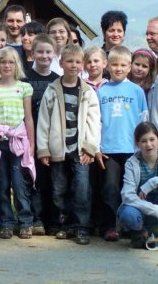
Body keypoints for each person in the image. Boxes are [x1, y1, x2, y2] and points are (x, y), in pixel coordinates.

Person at [36, 44, 101, 245]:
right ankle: (64, 224)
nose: (74, 65)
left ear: (82, 65)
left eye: (78, 62)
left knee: (81, 189)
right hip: (58, 150)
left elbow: (94, 121)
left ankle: (80, 227)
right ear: (61, 63)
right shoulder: (53, 89)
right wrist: (44, 148)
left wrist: (91, 147)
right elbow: (44, 121)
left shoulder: (88, 92)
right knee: (59, 189)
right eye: (70, 61)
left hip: (80, 151)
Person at [95, 45, 148, 242]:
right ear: (107, 66)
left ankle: (130, 225)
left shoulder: (136, 91)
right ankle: (110, 225)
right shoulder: (102, 90)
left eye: (123, 65)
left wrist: (142, 147)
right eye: (115, 64)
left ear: (129, 67)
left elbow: (144, 120)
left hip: (131, 150)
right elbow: (97, 120)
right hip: (109, 149)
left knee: (131, 190)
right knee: (109, 188)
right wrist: (97, 146)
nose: (118, 68)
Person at [0, 47, 35, 239]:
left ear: (16, 65)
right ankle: (6, 222)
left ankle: (25, 221)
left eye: (11, 62)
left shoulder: (23, 87)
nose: (7, 66)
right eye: (3, 62)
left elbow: (28, 118)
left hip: (18, 142)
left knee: (19, 183)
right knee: (2, 183)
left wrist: (32, 144)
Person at [24, 34, 60, 235]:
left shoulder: (58, 81)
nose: (44, 56)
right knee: (34, 179)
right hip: (31, 138)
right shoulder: (25, 78)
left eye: (48, 52)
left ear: (54, 54)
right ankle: (35, 218)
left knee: (53, 180)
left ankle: (53, 220)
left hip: (52, 139)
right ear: (32, 53)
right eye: (40, 51)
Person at [117, 122, 158, 249]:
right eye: (143, 141)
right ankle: (139, 233)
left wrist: (151, 183)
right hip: (141, 207)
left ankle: (153, 233)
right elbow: (127, 195)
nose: (149, 145)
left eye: (152, 139)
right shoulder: (131, 163)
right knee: (127, 214)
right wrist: (154, 209)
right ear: (137, 143)